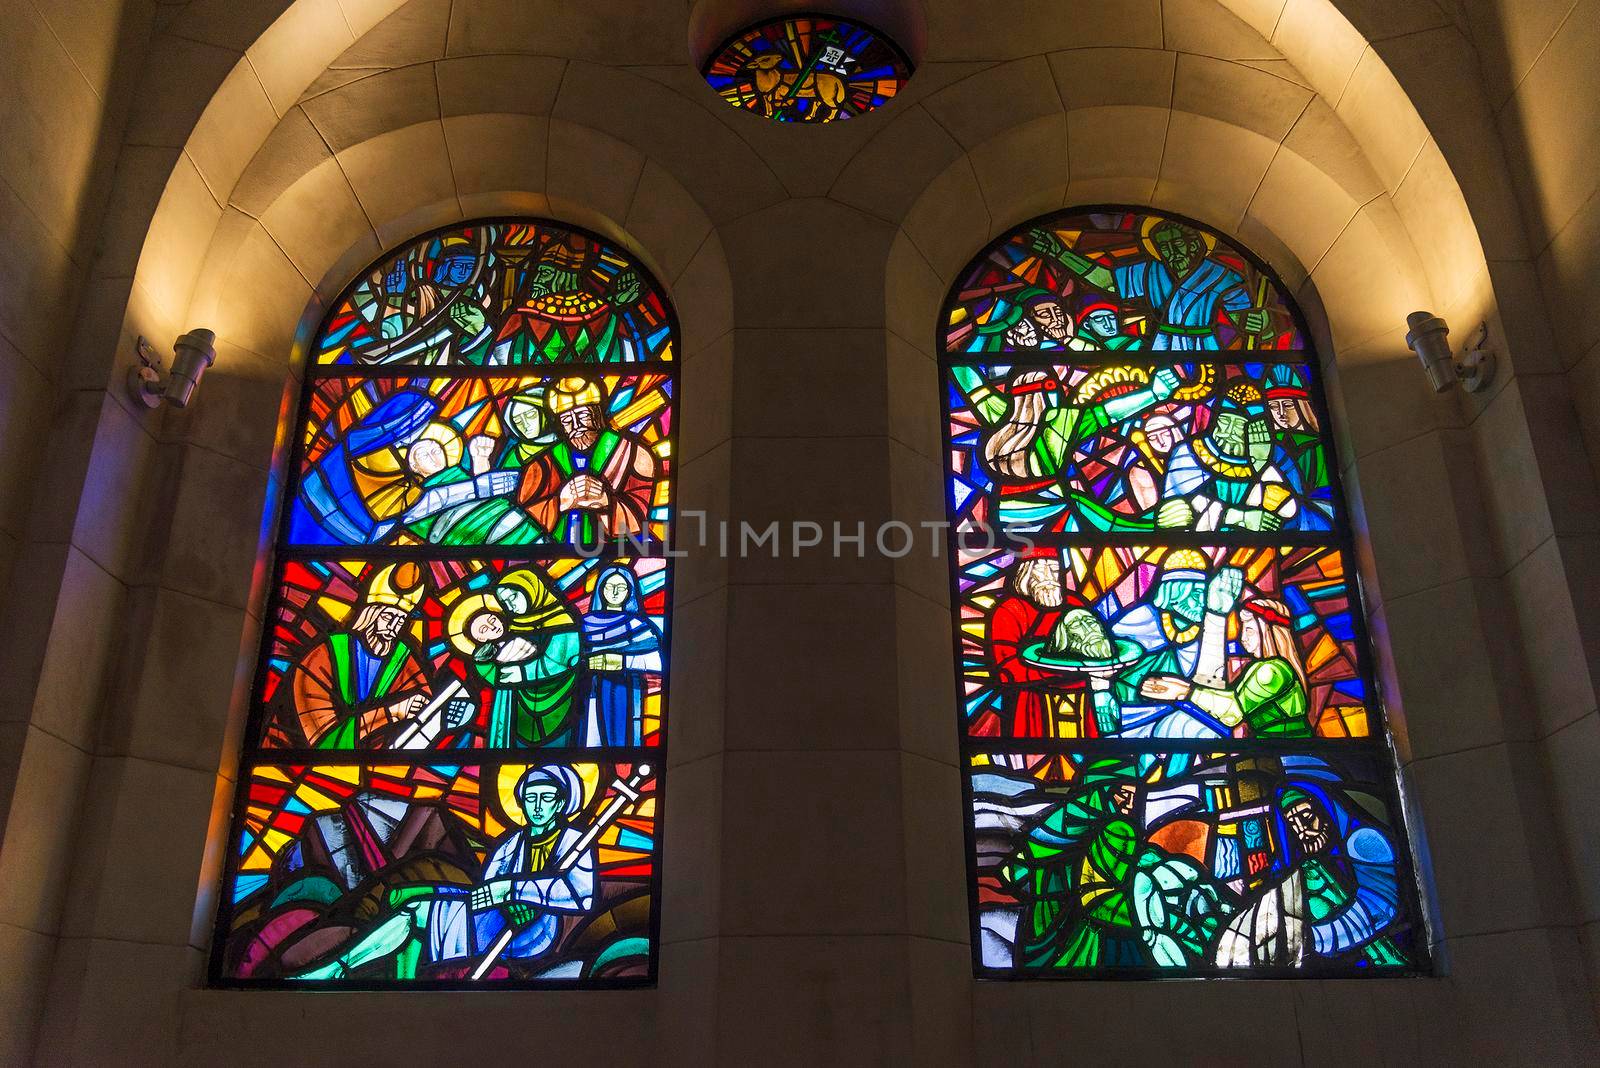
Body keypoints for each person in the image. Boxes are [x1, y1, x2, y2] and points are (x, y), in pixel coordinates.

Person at [292, 765, 596, 980]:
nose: (537, 806)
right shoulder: (511, 843)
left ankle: (338, 968)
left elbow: (580, 895)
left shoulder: (573, 842)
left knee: (419, 912)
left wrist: (522, 895)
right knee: (416, 909)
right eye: (530, 798)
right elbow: (486, 890)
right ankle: (396, 982)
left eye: (546, 798)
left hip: (536, 932)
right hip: (495, 920)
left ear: (560, 803)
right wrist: (505, 898)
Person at [1006, 760, 1231, 968]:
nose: (1129, 803)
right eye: (1121, 794)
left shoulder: (1060, 828)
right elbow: (1097, 899)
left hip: (1057, 940)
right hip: (1095, 941)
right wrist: (1154, 913)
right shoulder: (1116, 829)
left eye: (1134, 795)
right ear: (1100, 792)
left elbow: (1021, 871)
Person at [1216, 781, 1406, 967]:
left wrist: (1313, 938)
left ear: (1325, 810)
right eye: (1293, 824)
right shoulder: (1290, 864)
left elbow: (1381, 907)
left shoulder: (1363, 841)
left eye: (1307, 817)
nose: (1303, 831)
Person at [280, 564, 471, 748]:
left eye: (401, 620)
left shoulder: (402, 657)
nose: (393, 627)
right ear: (370, 614)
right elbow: (323, 739)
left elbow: (424, 702)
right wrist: (390, 712)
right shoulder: (326, 654)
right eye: (388, 617)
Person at [1030, 218, 1278, 350]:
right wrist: (1061, 255)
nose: (1171, 251)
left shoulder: (1224, 277)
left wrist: (1263, 324)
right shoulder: (1151, 271)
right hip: (1162, 344)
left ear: (1194, 244)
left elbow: (1244, 319)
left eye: (1176, 243)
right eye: (1164, 247)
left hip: (1204, 348)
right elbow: (1107, 281)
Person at [1139, 598, 1314, 738]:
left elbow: (1233, 711)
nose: (1243, 637)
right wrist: (1184, 689)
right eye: (1242, 629)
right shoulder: (1267, 667)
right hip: (1273, 753)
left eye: (1250, 630)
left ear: (1268, 632)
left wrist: (1185, 691)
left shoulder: (1272, 671)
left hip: (1289, 757)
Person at [517, 378, 658, 544]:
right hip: (555, 555)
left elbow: (644, 514)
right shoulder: (543, 464)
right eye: (567, 420)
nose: (576, 426)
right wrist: (561, 502)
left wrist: (606, 501)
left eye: (582, 415)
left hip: (617, 553)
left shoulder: (633, 453)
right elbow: (523, 521)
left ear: (597, 415)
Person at [1160, 385, 1301, 532]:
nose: (1228, 433)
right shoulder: (1189, 452)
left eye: (1239, 426)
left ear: (1254, 429)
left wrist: (1262, 466)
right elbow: (1174, 511)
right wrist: (1237, 517)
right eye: (1224, 422)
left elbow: (1290, 512)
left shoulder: (1276, 456)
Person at [490, 232, 644, 364]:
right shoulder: (606, 315)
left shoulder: (606, 316)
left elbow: (624, 362)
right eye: (537, 274)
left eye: (544, 274)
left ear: (564, 278)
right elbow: (497, 362)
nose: (536, 281)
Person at [478, 569, 582, 747]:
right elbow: (497, 675)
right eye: (504, 602)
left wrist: (522, 673)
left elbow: (563, 661)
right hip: (518, 707)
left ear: (531, 589)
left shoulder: (561, 621)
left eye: (513, 597)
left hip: (559, 701)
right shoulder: (510, 628)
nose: (510, 605)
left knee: (559, 746)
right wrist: (483, 662)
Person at [985, 555, 1084, 738]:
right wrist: (1060, 671)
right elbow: (1006, 670)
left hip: (1082, 700)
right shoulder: (1010, 610)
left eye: (1054, 569)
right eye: (1039, 568)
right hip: (1032, 704)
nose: (1048, 576)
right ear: (1025, 573)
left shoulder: (1075, 605)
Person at [581, 566, 663, 747]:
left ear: (629, 592)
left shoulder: (637, 625)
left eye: (621, 587)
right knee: (589, 738)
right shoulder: (583, 626)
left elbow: (657, 661)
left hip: (624, 690)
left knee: (619, 741)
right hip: (587, 693)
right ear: (601, 589)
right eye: (609, 587)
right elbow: (570, 659)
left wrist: (623, 662)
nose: (615, 592)